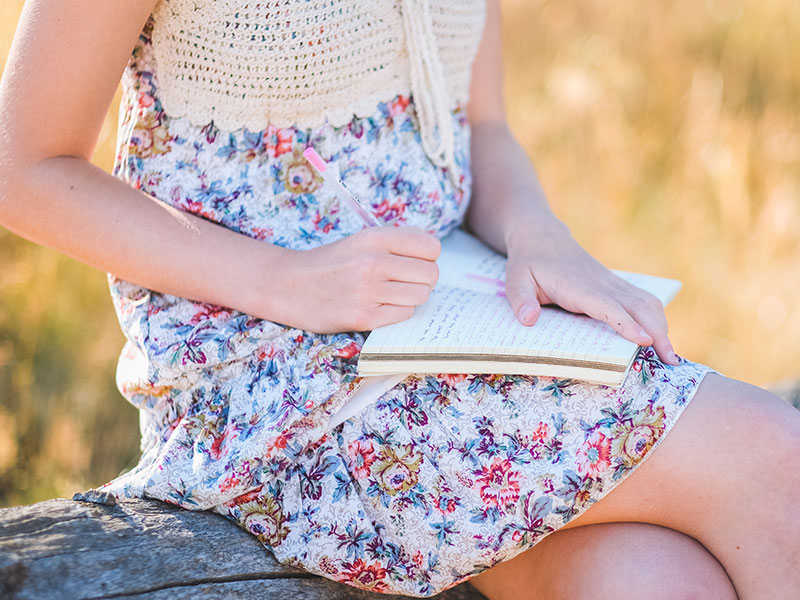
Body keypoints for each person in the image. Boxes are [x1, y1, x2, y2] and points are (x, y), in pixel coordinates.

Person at [0, 1, 797, 598]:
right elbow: (22, 168)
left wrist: (540, 237)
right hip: (274, 375)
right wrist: (286, 281)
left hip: (452, 319)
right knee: (772, 452)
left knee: (654, 584)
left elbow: (478, 124)